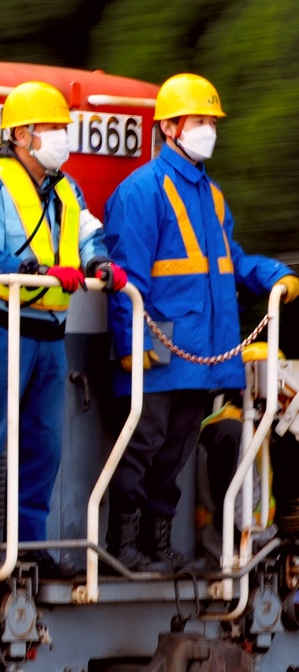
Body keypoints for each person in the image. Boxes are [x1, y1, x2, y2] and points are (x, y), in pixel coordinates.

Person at [104, 73, 299, 572]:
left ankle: (158, 542)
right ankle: (123, 545)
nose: (209, 129)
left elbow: (228, 262)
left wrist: (277, 274)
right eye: (200, 120)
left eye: (212, 121)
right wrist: (132, 344)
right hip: (160, 350)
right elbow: (127, 278)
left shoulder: (211, 195)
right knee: (142, 446)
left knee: (175, 453)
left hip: (204, 356)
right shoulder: (140, 192)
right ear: (169, 127)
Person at [0, 81, 124, 579]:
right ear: (22, 133)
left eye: (63, 128)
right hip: (2, 330)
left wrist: (101, 263)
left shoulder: (67, 188)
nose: (62, 136)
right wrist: (43, 273)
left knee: (45, 447)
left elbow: (88, 232)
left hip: (49, 337)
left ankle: (31, 547)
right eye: (52, 128)